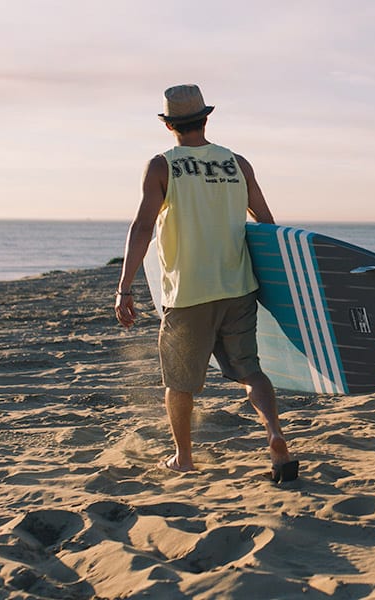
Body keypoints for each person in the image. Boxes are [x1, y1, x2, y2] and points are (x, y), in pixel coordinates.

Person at [114, 84, 298, 482]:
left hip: (188, 293)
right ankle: (275, 436)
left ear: (168, 124)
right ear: (206, 118)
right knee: (250, 370)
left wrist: (125, 286)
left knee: (179, 382)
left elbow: (143, 226)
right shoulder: (238, 163)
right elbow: (266, 222)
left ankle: (182, 457)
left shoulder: (162, 166)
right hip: (238, 286)